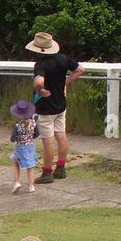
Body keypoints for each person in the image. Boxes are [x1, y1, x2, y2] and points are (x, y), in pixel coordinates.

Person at [25, 32, 85, 184]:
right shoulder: (63, 58)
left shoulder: (41, 64)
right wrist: (66, 82)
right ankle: (61, 168)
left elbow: (39, 82)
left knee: (48, 140)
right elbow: (80, 69)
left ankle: (47, 172)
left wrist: (40, 90)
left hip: (45, 108)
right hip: (60, 105)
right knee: (61, 135)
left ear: (38, 49)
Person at [8, 99, 40, 193]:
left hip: (20, 147)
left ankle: (17, 182)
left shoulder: (18, 126)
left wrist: (15, 139)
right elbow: (37, 134)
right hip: (30, 146)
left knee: (16, 162)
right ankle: (31, 186)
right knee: (30, 167)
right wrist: (30, 137)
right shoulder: (33, 123)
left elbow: (12, 138)